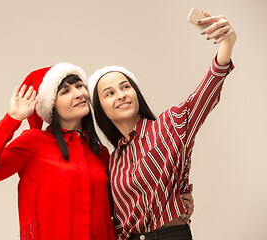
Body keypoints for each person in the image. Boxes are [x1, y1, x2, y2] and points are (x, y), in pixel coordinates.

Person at [88, 11, 236, 240]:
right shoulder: (114, 161)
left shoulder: (171, 123)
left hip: (172, 235)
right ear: (101, 109)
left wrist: (227, 43)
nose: (121, 95)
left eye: (125, 87)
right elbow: (115, 222)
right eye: (109, 93)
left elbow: (208, 89)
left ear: (136, 92)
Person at [0, 63, 116, 240]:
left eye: (79, 86)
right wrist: (13, 119)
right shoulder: (34, 143)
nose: (78, 94)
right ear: (51, 105)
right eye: (65, 91)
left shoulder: (100, 152)